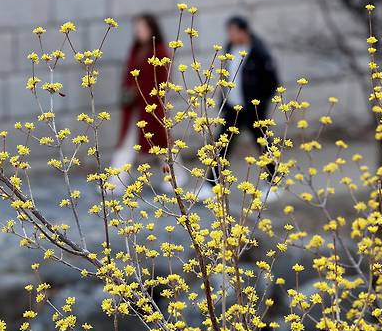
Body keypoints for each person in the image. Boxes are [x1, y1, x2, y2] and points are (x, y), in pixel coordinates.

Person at [198, 16, 279, 201]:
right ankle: (212, 184)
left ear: (245, 31)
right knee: (221, 145)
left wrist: (260, 105)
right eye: (229, 32)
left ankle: (274, 183)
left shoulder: (259, 51)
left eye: (234, 31)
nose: (231, 35)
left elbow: (272, 82)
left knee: (264, 145)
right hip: (231, 108)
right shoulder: (229, 48)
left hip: (253, 110)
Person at [109, 14, 185, 192]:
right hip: (135, 106)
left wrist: (151, 98)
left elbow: (162, 80)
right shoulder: (136, 50)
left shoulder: (159, 51)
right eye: (137, 28)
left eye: (142, 28)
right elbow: (129, 74)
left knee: (162, 143)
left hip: (152, 107)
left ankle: (176, 177)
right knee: (127, 143)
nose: (139, 32)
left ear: (152, 29)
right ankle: (115, 182)